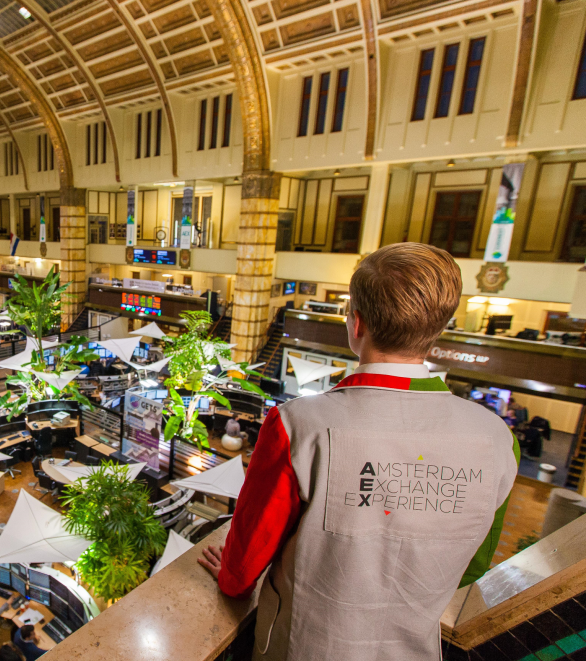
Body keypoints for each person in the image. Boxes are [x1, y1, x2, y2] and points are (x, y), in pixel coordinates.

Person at [198, 243, 519, 661]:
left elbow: (244, 564)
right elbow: (472, 568)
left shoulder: (298, 425)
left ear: (357, 323)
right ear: (438, 328)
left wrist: (232, 576)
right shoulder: (496, 439)